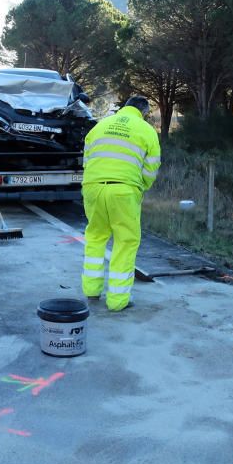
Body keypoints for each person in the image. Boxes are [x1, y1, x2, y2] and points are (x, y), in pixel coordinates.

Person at [80, 96, 161, 312]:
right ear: (143, 112)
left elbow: (87, 159)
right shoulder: (146, 130)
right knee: (125, 242)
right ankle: (117, 301)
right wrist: (140, 186)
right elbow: (151, 168)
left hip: (93, 187)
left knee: (95, 237)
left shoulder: (100, 126)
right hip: (124, 190)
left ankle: (91, 290)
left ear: (125, 107)